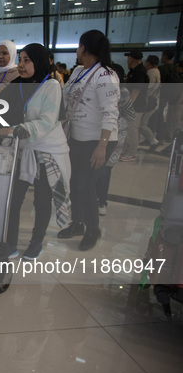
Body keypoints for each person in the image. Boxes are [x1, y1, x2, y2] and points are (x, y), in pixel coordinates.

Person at [0, 43, 71, 260]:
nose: (21, 65)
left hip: (47, 150)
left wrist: (18, 129)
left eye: (26, 60)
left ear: (38, 61)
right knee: (15, 198)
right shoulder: (18, 84)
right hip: (24, 148)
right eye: (20, 60)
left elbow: (47, 122)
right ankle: (10, 242)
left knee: (42, 198)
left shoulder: (51, 86)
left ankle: (36, 242)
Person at [59, 29, 120, 250]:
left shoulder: (106, 75)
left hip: (99, 141)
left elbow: (111, 113)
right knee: (75, 184)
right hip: (77, 137)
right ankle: (77, 223)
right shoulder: (77, 72)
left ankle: (93, 229)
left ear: (83, 48)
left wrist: (102, 147)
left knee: (86, 186)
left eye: (78, 46)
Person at [96, 64, 136, 216]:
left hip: (114, 139)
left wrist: (112, 125)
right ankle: (93, 198)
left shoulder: (123, 93)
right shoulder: (98, 90)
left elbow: (130, 116)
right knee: (95, 169)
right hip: (97, 136)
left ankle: (102, 201)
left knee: (105, 170)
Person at [120, 50, 149, 162]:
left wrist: (127, 106)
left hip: (136, 107)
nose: (128, 60)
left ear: (132, 59)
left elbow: (136, 91)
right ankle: (127, 148)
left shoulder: (140, 73)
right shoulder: (134, 71)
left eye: (129, 57)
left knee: (132, 129)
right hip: (133, 106)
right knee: (127, 128)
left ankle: (132, 152)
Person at [138, 55, 161, 148]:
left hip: (149, 101)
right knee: (142, 124)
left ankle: (153, 141)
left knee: (141, 124)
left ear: (149, 63)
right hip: (154, 101)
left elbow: (148, 87)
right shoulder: (157, 71)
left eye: (146, 62)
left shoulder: (151, 72)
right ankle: (151, 140)